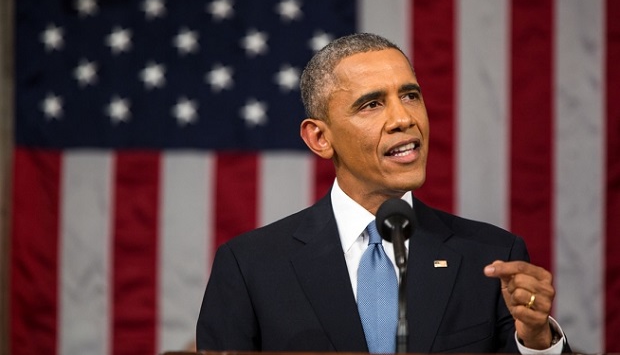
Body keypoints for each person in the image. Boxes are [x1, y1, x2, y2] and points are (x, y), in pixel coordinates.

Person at [196, 33, 570, 353]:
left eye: (410, 96)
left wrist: (537, 339)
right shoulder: (250, 267)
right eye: (372, 104)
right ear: (320, 138)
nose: (404, 118)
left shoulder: (490, 257)